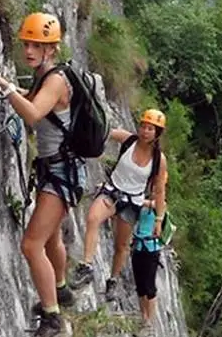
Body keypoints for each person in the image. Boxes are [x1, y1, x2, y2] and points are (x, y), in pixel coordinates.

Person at [0, 12, 85, 337]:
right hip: (57, 170)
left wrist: (4, 85)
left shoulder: (55, 80)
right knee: (52, 236)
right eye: (26, 43)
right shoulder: (47, 75)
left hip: (61, 174)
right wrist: (12, 92)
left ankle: (53, 320)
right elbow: (33, 101)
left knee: (31, 245)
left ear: (51, 49)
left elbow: (33, 114)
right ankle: (61, 289)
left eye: (36, 45)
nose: (28, 50)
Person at [70, 110, 168, 300]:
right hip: (113, 191)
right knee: (92, 218)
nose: (145, 131)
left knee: (121, 246)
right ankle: (87, 265)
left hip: (132, 202)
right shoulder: (128, 140)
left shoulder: (159, 159)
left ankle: (113, 280)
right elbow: (106, 132)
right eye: (143, 127)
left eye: (150, 129)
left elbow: (159, 190)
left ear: (157, 134)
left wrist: (159, 218)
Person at [131, 194, 166, 337]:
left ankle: (149, 323)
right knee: (140, 287)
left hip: (151, 249)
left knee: (149, 287)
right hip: (138, 247)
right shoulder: (143, 203)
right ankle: (143, 318)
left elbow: (159, 205)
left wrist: (138, 201)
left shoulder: (159, 205)